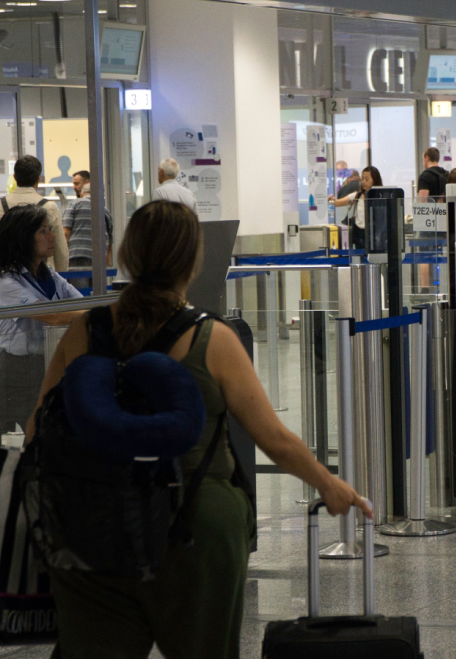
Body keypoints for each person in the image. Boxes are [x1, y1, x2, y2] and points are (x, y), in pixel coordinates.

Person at [27, 200, 371, 658]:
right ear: (192, 262)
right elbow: (274, 440)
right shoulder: (212, 339)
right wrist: (329, 485)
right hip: (194, 525)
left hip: (92, 522)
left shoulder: (85, 332)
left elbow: (37, 428)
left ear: (127, 254)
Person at [0, 204, 85, 430]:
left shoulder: (49, 274)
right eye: (43, 231)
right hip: (19, 374)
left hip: (48, 364)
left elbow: (81, 303)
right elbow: (52, 316)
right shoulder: (8, 283)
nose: (52, 237)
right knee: (39, 434)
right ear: (23, 238)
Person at [0, 155, 69, 273]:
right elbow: (60, 250)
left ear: (15, 177)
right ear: (38, 178)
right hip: (41, 277)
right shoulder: (49, 207)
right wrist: (60, 281)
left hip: (7, 276)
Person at [62, 182, 114, 289]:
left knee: (79, 293)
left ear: (82, 194)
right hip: (99, 258)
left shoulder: (74, 204)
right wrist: (107, 263)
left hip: (77, 255)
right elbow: (110, 243)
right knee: (95, 292)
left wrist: (62, 257)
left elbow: (65, 233)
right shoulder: (105, 211)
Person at [329, 166, 382, 251]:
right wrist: (331, 200)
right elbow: (337, 203)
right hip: (359, 235)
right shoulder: (357, 195)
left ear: (374, 180)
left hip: (375, 235)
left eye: (367, 179)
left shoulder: (381, 198)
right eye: (362, 179)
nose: (363, 182)